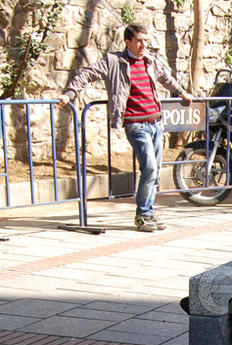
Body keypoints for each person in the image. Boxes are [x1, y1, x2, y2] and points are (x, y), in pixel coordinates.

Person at [58, 23, 193, 232]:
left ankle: (148, 212)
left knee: (155, 171)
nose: (143, 45)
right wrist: (70, 93)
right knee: (149, 167)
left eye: (145, 40)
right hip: (136, 124)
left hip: (156, 122)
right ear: (128, 41)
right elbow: (87, 74)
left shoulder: (150, 61)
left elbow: (167, 78)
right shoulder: (114, 62)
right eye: (139, 40)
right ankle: (142, 215)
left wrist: (181, 92)